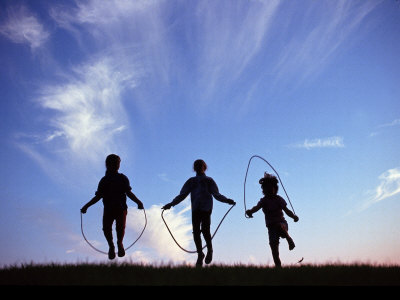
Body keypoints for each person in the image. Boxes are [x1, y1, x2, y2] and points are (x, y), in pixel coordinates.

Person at [162, 159, 236, 267]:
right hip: (196, 209)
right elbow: (182, 194)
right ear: (194, 168)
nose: (199, 167)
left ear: (204, 167)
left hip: (206, 208)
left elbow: (216, 194)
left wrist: (227, 200)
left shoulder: (209, 180)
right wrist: (171, 204)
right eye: (197, 165)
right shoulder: (191, 181)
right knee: (196, 232)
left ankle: (210, 250)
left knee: (205, 230)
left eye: (200, 165)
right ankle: (200, 254)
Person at [81, 154, 144, 260]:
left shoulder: (122, 178)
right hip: (108, 209)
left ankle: (119, 243)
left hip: (121, 208)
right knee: (106, 228)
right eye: (114, 163)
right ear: (108, 165)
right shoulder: (104, 180)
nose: (116, 165)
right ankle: (111, 246)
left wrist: (138, 202)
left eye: (118, 163)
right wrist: (86, 206)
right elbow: (98, 196)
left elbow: (128, 193)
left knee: (120, 228)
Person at [245, 172, 299, 268]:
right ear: (263, 190)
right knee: (274, 249)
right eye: (266, 188)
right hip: (271, 228)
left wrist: (294, 216)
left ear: (275, 189)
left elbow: (287, 211)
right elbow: (256, 207)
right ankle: (278, 267)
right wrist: (250, 211)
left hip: (282, 224)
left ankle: (288, 238)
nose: (269, 190)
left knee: (279, 226)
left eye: (271, 188)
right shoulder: (263, 201)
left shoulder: (279, 199)